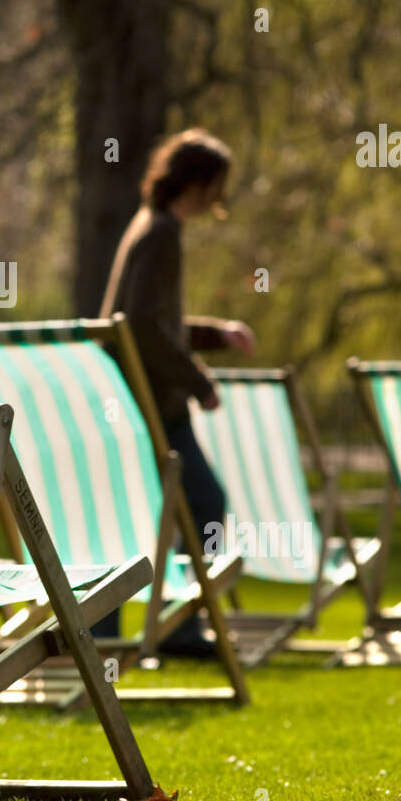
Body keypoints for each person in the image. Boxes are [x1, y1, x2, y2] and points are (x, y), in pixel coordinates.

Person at [97, 129, 256, 653]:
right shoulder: (160, 232)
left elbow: (156, 323)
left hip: (138, 402)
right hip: (151, 406)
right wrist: (199, 380)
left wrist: (215, 335)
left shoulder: (152, 226)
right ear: (204, 182)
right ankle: (179, 629)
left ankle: (126, 630)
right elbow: (139, 325)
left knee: (137, 513)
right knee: (204, 505)